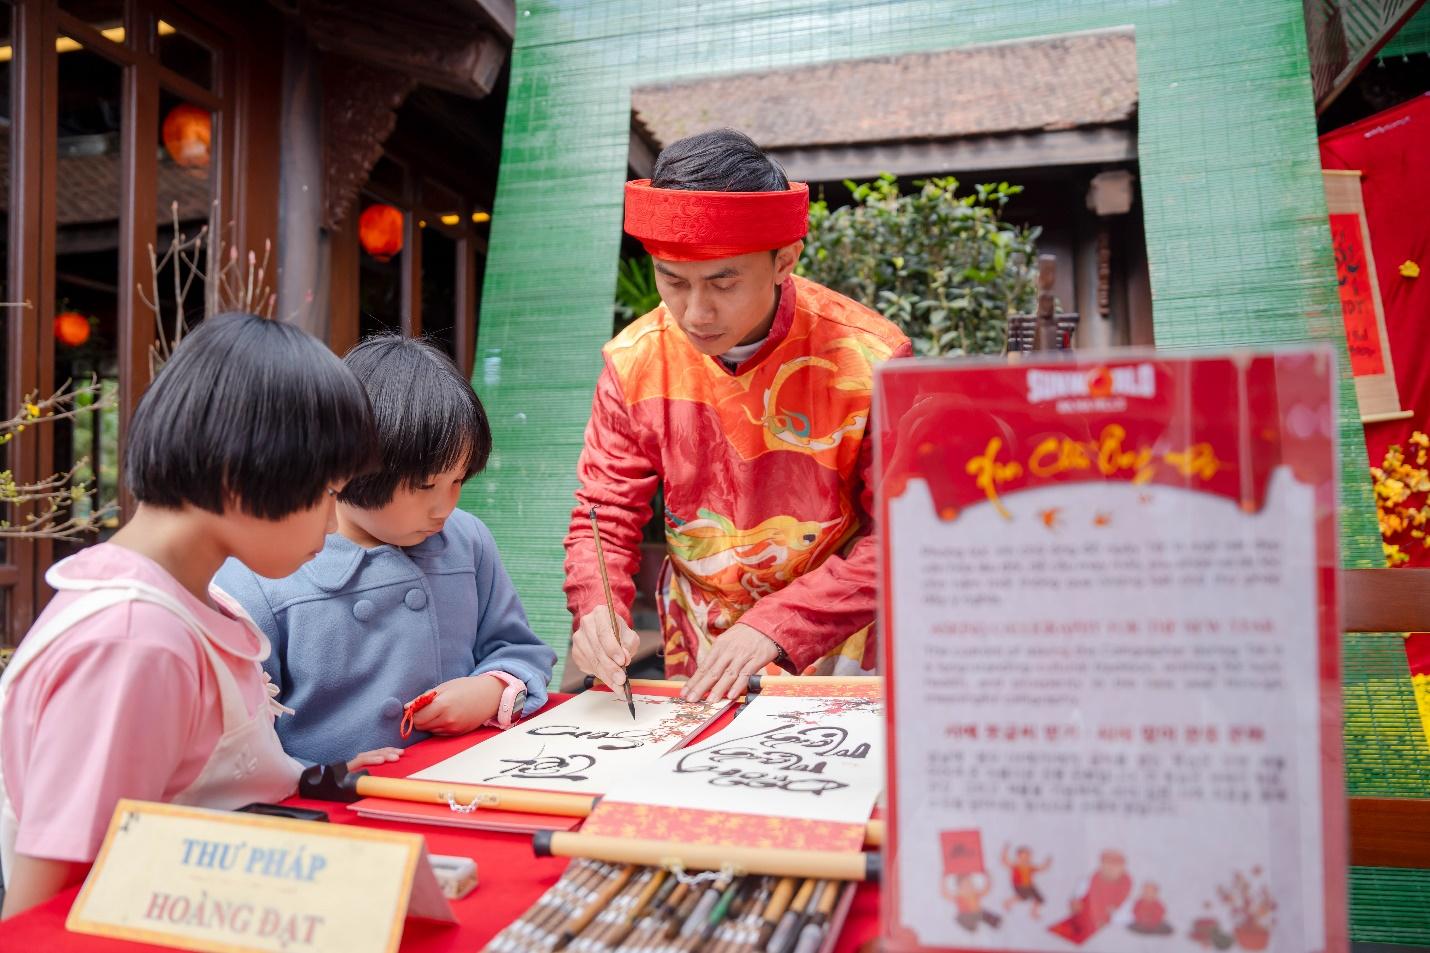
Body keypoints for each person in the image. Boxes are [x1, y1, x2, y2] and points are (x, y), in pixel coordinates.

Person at [0, 314, 383, 918]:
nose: (333, 526)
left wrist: (307, 777)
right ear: (244, 470)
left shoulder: (190, 600)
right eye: (329, 493)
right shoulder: (133, 641)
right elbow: (48, 907)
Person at [563, 128, 911, 701]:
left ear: (785, 260)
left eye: (723, 282)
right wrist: (597, 607)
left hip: (835, 631)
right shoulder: (635, 361)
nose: (695, 312)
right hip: (699, 632)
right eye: (672, 281)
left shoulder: (871, 359)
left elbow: (900, 534)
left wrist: (777, 623)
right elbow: (603, 512)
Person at [217, 334, 555, 768]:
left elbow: (519, 648)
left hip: (471, 780)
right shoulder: (264, 575)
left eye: (458, 481)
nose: (445, 507)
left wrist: (490, 690)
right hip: (331, 814)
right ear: (352, 463)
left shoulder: (467, 542)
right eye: (425, 485)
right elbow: (234, 741)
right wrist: (318, 775)